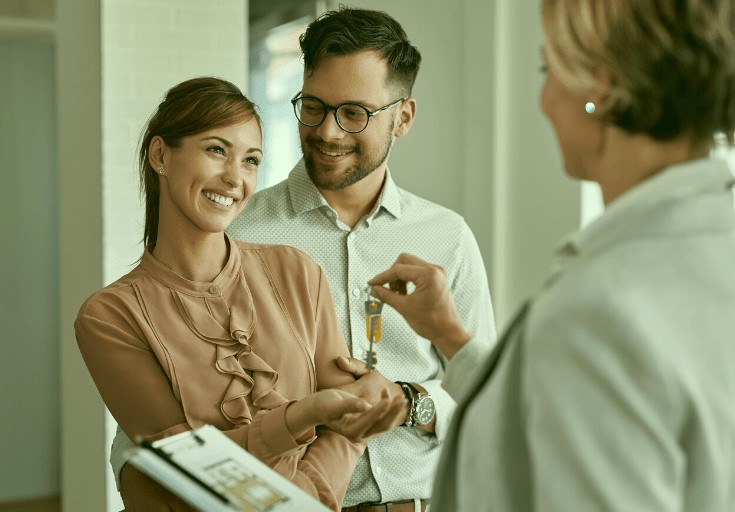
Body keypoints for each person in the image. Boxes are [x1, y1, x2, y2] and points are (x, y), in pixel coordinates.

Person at [368, 0, 735, 510]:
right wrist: (449, 336)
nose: (543, 98)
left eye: (548, 68)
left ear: (599, 88)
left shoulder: (600, 311)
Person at [74, 76, 404, 512]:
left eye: (251, 161)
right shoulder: (110, 317)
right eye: (216, 150)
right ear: (160, 155)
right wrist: (302, 417)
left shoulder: (298, 271)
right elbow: (183, 472)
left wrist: (303, 500)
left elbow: (348, 425)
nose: (234, 178)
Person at [228, 7, 496, 511]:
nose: (328, 132)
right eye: (314, 106)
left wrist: (408, 403)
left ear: (403, 118)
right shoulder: (242, 236)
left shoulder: (448, 238)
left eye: (354, 112)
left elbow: (486, 400)